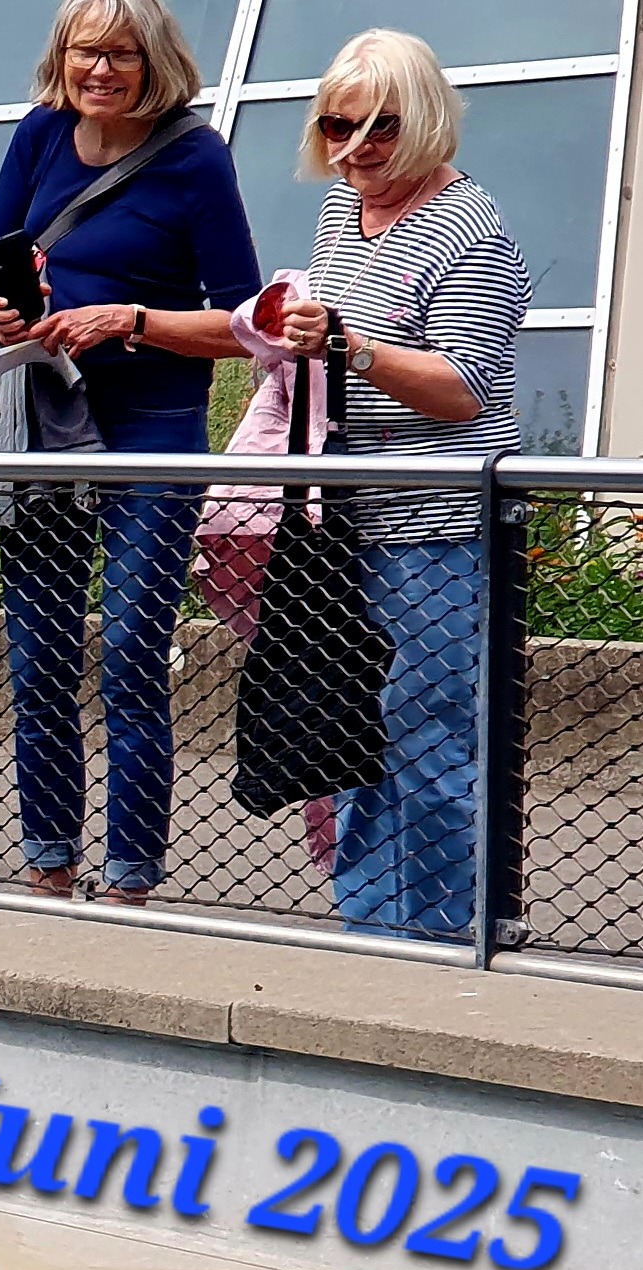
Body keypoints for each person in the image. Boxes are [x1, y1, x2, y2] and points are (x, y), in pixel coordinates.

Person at [0, 0, 260, 904]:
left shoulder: (195, 156)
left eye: (123, 54)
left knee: (131, 648)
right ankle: (49, 864)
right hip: (47, 422)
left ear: (153, 62)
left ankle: (130, 878)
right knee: (37, 652)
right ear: (63, 56)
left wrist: (129, 320)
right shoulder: (40, 134)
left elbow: (243, 325)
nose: (102, 70)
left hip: (150, 428)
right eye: (88, 51)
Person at [275, 31, 530, 940]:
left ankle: (430, 929)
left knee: (424, 732)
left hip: (438, 517)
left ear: (422, 118)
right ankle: (373, 920)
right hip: (347, 514)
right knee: (357, 727)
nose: (356, 148)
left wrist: (348, 344)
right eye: (337, 126)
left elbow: (464, 388)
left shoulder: (470, 227)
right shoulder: (341, 214)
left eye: (379, 126)